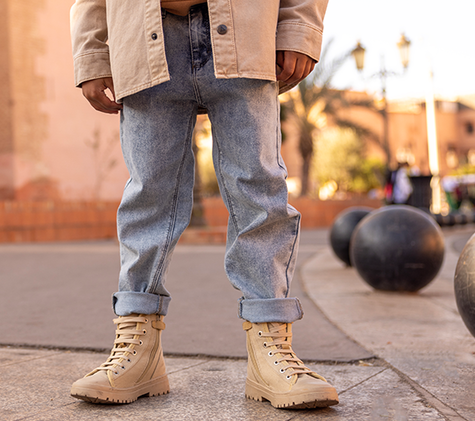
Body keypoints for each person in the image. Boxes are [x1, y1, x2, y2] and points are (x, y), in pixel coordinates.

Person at [69, 0, 338, 409]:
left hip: (245, 26)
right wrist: (92, 51)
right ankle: (138, 353)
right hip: (141, 33)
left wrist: (299, 26)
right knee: (147, 197)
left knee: (260, 192)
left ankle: (270, 350)